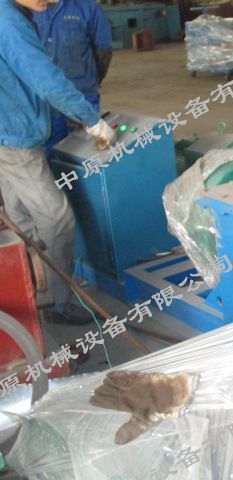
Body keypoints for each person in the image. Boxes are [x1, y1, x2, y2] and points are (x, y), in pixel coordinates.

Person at [0, 0, 117, 324]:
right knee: (57, 218)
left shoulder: (11, 13)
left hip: (7, 132)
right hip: (15, 139)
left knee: (19, 214)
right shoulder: (8, 21)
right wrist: (91, 120)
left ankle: (28, 288)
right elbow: (44, 77)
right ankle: (57, 302)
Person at [34, 0, 112, 149]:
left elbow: (103, 51)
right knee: (48, 152)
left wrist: (92, 81)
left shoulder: (88, 8)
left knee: (86, 152)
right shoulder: (28, 9)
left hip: (83, 96)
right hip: (44, 100)